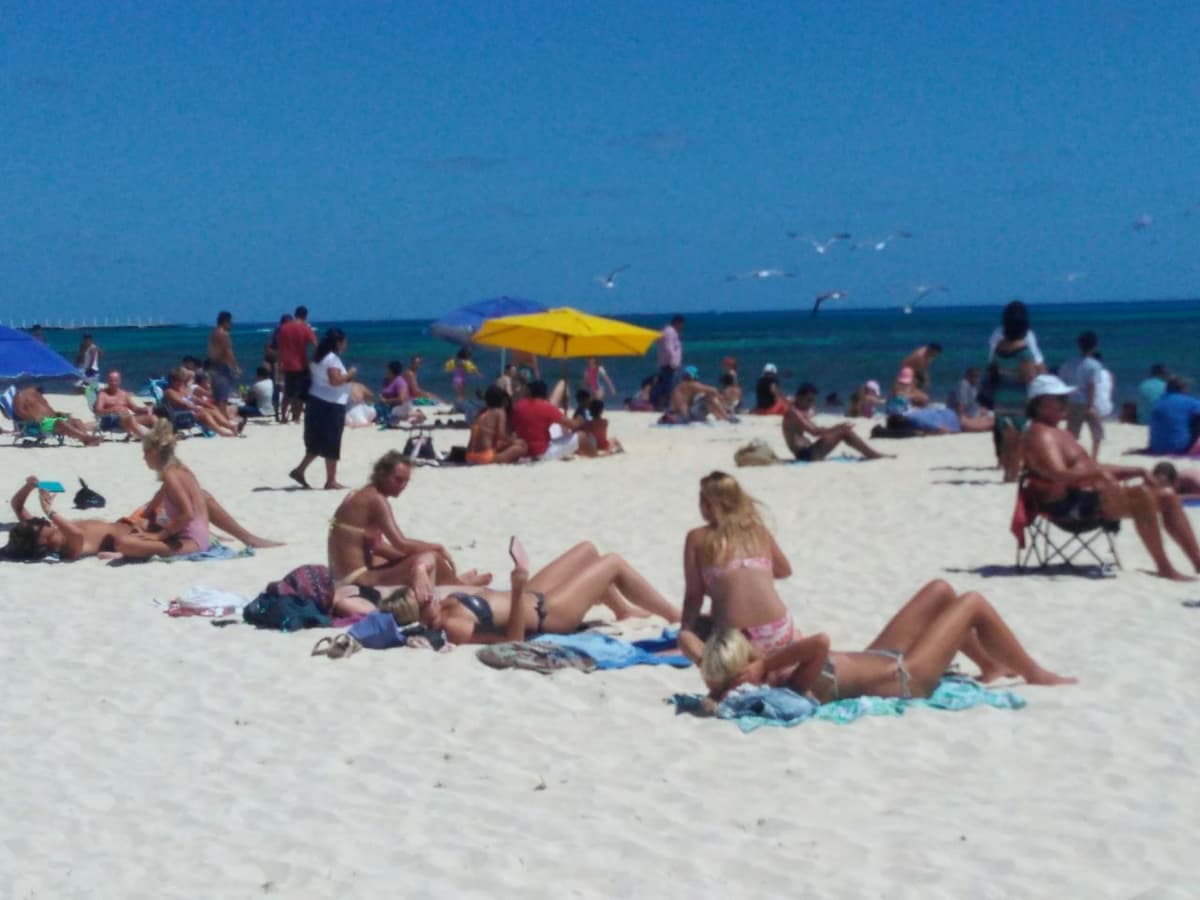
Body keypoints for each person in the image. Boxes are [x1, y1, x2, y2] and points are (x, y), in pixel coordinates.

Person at [697, 579, 1075, 706]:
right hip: (907, 677)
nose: (759, 653)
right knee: (972, 603)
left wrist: (720, 687)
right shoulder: (790, 683)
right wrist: (763, 666)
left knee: (940, 591)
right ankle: (1034, 673)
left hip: (879, 654)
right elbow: (820, 643)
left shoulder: (773, 671)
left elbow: (700, 658)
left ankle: (991, 665)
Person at [1022, 375, 1200, 581]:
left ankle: (1198, 562)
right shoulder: (1041, 434)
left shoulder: (1058, 432)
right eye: (1059, 398)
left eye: (1065, 398)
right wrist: (1099, 475)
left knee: (1168, 495)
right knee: (1143, 494)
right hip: (1067, 508)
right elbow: (1058, 474)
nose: (1065, 402)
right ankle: (1165, 568)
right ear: (1039, 403)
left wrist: (1137, 470)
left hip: (1088, 498)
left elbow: (1092, 467)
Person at [386, 536, 680, 645]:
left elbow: (427, 558)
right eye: (424, 597)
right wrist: (516, 590)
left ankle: (623, 610)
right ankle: (676, 616)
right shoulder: (454, 627)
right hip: (549, 614)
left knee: (587, 549)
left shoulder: (443, 603)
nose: (430, 593)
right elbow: (513, 640)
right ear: (421, 617)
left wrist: (419, 572)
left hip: (533, 594)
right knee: (612, 562)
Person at [326, 451, 490, 602]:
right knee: (430, 557)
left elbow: (377, 546)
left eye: (406, 481)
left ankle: (454, 581)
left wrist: (408, 556)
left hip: (340, 576)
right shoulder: (376, 500)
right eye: (398, 480)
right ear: (382, 474)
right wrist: (436, 547)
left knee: (410, 557)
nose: (402, 485)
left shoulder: (357, 494)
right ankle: (458, 585)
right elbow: (401, 543)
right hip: (357, 580)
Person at [6, 474, 281, 561]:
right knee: (200, 497)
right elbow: (77, 535)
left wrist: (30, 486)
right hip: (142, 534)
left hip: (135, 520)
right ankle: (248, 538)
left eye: (34, 520)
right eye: (37, 525)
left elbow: (17, 506)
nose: (37, 521)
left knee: (187, 491)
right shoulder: (66, 547)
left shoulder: (48, 529)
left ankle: (230, 534)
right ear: (41, 542)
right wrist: (51, 511)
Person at [109, 422, 217, 560]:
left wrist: (159, 536)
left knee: (123, 543)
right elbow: (156, 501)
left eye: (145, 453)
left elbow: (187, 514)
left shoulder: (171, 475)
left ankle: (127, 552)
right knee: (140, 527)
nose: (144, 458)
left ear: (153, 453)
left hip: (192, 542)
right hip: (197, 537)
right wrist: (142, 520)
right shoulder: (179, 469)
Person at [290, 328, 355, 489]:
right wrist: (350, 374)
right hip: (331, 404)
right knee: (332, 441)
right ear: (338, 343)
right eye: (344, 341)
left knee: (317, 442)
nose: (346, 344)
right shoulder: (332, 359)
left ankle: (300, 470)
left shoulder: (318, 357)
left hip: (316, 401)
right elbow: (335, 381)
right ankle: (330, 480)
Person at [988, 302, 1039, 482]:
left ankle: (1006, 472)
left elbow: (994, 368)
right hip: (1019, 396)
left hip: (1001, 394)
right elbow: (1029, 377)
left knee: (1007, 436)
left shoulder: (999, 347)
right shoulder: (1024, 350)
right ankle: (1012, 473)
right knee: (1018, 438)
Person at [783, 385, 889, 460]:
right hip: (806, 455)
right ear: (799, 397)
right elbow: (814, 432)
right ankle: (873, 455)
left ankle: (871, 454)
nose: (811, 404)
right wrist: (837, 427)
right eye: (809, 400)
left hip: (808, 451)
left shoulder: (797, 410)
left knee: (843, 430)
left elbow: (815, 429)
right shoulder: (794, 413)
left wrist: (837, 428)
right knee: (844, 431)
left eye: (813, 401)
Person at [1059, 331, 1105, 460]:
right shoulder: (1094, 365)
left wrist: (1063, 403)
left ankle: (1070, 457)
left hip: (1073, 400)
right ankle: (1094, 458)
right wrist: (1091, 405)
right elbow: (1092, 386)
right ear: (1094, 346)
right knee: (1096, 432)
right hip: (1087, 401)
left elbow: (1063, 383)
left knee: (1072, 433)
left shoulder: (1069, 363)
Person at [163, 367, 241, 437]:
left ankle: (231, 426)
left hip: (192, 412)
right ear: (172, 380)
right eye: (178, 381)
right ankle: (221, 432)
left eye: (181, 381)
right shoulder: (169, 392)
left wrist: (207, 405)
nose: (181, 383)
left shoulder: (182, 389)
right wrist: (195, 408)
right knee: (204, 414)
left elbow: (195, 399)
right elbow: (182, 403)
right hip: (182, 416)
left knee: (212, 410)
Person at [512, 379, 579, 460]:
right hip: (542, 453)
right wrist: (581, 417)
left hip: (524, 452)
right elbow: (573, 425)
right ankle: (591, 456)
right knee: (581, 436)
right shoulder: (547, 408)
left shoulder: (518, 406)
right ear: (545, 394)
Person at [12, 386, 101, 446]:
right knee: (59, 422)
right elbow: (19, 412)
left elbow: (49, 411)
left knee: (77, 421)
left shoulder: (37, 394)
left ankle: (86, 440)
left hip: (52, 420)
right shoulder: (20, 395)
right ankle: (85, 438)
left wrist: (59, 414)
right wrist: (34, 418)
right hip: (39, 424)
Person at [276, 306, 317, 424]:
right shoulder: (305, 328)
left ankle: (283, 417)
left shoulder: (283, 328)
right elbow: (315, 345)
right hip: (301, 364)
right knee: (300, 393)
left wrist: (280, 363)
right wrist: (315, 360)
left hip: (287, 364)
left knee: (287, 393)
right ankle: (297, 417)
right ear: (305, 316)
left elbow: (280, 348)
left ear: (295, 314)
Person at [467, 385, 528, 464]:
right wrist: (513, 442)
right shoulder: (499, 412)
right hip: (485, 457)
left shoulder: (482, 412)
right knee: (521, 447)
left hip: (470, 456)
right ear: (502, 400)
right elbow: (501, 435)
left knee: (512, 444)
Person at [94, 369, 156, 439]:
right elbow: (97, 411)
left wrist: (145, 409)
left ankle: (161, 437)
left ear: (119, 381)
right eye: (111, 380)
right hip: (112, 422)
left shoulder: (124, 394)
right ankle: (146, 438)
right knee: (129, 417)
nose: (113, 383)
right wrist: (113, 409)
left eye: (116, 380)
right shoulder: (103, 394)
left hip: (128, 419)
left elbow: (135, 409)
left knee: (152, 418)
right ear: (108, 381)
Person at [1149, 377, 1200, 456]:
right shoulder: (1189, 402)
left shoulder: (1159, 401)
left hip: (1157, 448)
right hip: (1179, 448)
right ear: (1182, 389)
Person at [666, 367, 734, 423]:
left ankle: (723, 415)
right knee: (710, 399)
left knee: (705, 398)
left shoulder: (679, 387)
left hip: (675, 415)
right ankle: (726, 417)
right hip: (685, 417)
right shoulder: (691, 385)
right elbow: (713, 390)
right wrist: (721, 399)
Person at [988, 301, 1044, 365]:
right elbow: (1038, 360)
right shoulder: (1027, 335)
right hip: (1025, 369)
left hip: (1002, 369)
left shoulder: (997, 333)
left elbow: (992, 360)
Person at [206, 310, 241, 408]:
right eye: (230, 322)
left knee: (217, 397)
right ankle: (223, 416)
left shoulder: (213, 333)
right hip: (221, 367)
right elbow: (228, 352)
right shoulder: (224, 334)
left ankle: (221, 415)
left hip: (212, 366)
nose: (231, 324)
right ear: (225, 322)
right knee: (223, 398)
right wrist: (236, 367)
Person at [651, 315, 684, 410]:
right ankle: (667, 406)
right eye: (681, 325)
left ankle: (664, 405)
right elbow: (669, 348)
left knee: (667, 385)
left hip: (667, 363)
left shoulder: (668, 331)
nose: (681, 328)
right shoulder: (670, 332)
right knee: (669, 386)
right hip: (669, 364)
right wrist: (674, 363)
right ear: (677, 323)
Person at [380, 360, 420, 425]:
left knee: (391, 421)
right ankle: (408, 416)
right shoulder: (386, 380)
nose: (386, 372)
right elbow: (384, 392)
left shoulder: (400, 381)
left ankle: (416, 414)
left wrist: (386, 401)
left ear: (392, 371)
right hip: (390, 406)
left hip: (403, 405)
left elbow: (401, 399)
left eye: (388, 370)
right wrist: (381, 397)